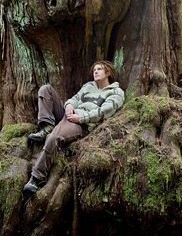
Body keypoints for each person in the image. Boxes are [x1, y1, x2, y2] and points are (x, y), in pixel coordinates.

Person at [23, 60, 125, 193]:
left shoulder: (116, 92)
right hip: (69, 115)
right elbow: (75, 99)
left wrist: (80, 118)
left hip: (81, 124)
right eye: (94, 70)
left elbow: (105, 112)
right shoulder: (89, 86)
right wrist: (69, 105)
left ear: (108, 73)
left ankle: (36, 178)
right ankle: (47, 125)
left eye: (99, 69)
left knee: (53, 138)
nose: (95, 72)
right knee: (45, 89)